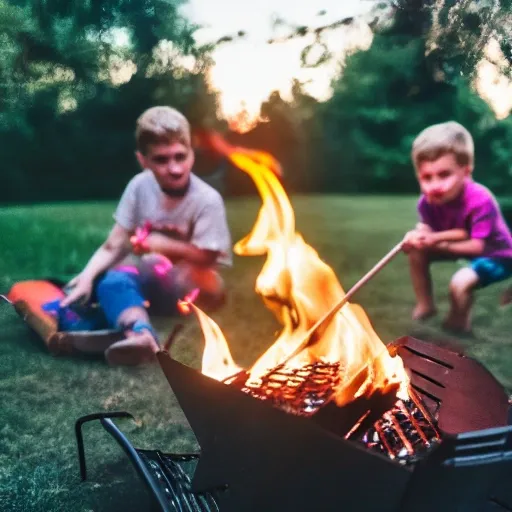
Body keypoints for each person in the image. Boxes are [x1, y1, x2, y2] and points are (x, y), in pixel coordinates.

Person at [60, 106, 232, 365]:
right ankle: (139, 334)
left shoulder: (207, 199)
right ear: (143, 160)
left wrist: (162, 245)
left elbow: (208, 257)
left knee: (144, 266)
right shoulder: (139, 186)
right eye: (161, 160)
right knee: (109, 278)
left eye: (180, 157)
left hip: (190, 288)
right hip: (150, 284)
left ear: (191, 154)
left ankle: (107, 322)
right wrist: (86, 277)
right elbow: (112, 245)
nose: (174, 168)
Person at [402, 121, 512, 333]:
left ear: (466, 172)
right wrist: (418, 237)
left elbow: (477, 247)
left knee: (460, 283)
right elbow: (434, 232)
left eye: (444, 175)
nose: (434, 185)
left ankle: (459, 324)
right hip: (464, 243)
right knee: (417, 250)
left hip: (498, 255)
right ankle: (426, 305)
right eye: (426, 177)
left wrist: (435, 241)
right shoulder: (427, 202)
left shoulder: (480, 199)